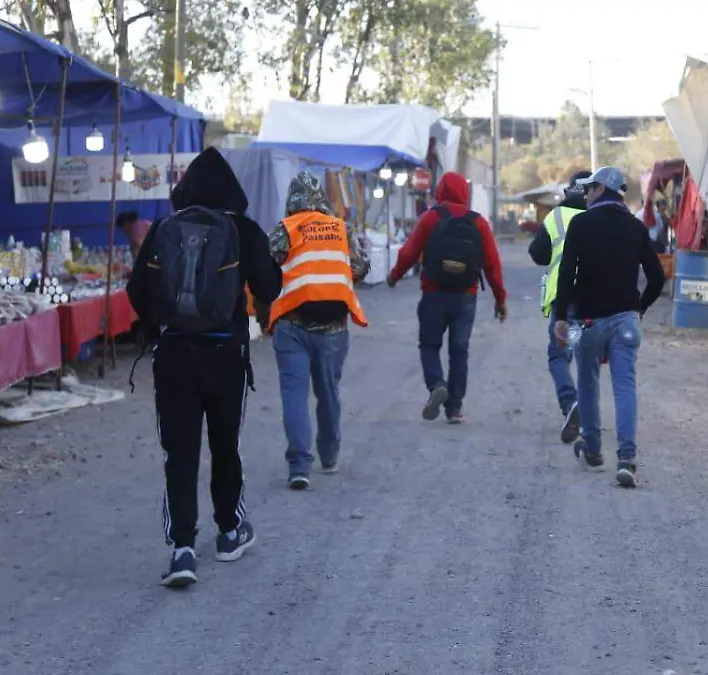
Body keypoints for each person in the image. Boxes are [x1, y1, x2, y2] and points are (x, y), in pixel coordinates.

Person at [127, 147, 282, 587]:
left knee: (179, 451)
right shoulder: (242, 229)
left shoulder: (164, 229)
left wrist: (163, 324)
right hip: (225, 355)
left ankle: (183, 550)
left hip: (174, 355)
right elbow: (270, 287)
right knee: (225, 444)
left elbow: (137, 293)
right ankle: (230, 533)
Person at [553, 166, 665, 488]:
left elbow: (567, 275)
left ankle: (593, 453)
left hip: (585, 322)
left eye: (589, 189)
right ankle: (626, 460)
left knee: (587, 383)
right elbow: (657, 277)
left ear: (601, 189)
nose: (586, 195)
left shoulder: (580, 224)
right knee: (625, 387)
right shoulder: (636, 227)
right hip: (626, 321)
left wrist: (561, 317)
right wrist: (639, 307)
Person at [260, 172, 370, 491]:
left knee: (294, 394)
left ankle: (299, 467)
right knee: (328, 391)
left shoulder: (285, 229)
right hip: (333, 328)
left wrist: (265, 316)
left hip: (292, 325)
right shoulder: (341, 228)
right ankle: (330, 456)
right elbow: (360, 267)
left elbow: (264, 272)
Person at [387, 171, 507, 423]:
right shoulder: (478, 223)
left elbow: (409, 252)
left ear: (440, 191)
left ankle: (436, 385)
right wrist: (500, 298)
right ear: (465, 192)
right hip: (465, 297)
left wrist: (395, 276)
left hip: (433, 293)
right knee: (459, 351)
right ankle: (454, 409)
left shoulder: (431, 218)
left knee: (429, 345)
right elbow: (492, 264)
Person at [528, 169, 592, 443]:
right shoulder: (599, 216)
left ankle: (570, 403)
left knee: (559, 356)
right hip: (593, 300)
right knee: (587, 358)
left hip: (563, 300)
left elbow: (537, 253)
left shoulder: (556, 216)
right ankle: (589, 415)